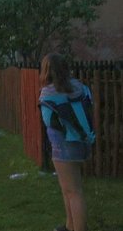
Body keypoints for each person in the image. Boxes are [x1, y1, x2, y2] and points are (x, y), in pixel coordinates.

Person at [39, 53, 95, 231]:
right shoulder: (81, 87)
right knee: (68, 189)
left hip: (64, 146)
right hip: (83, 142)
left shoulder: (48, 93)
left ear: (46, 70)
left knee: (74, 192)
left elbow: (49, 122)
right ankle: (69, 226)